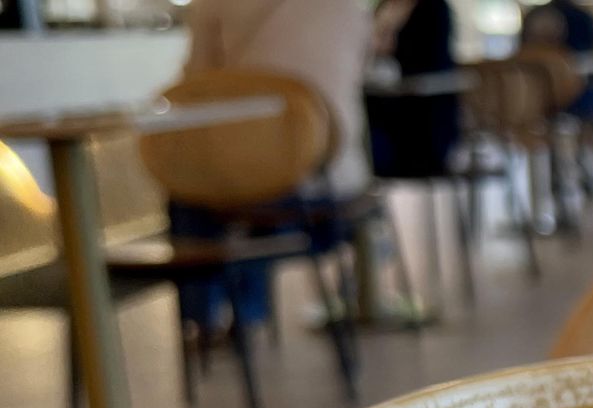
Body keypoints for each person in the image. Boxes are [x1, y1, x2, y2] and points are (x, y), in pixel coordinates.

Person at [175, 0, 372, 334]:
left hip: (262, 181)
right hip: (339, 179)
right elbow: (361, 69)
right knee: (249, 191)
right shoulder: (352, 5)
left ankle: (206, 320)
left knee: (191, 191)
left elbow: (195, 83)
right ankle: (248, 307)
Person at [367, 0, 462, 179]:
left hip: (424, 115)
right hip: (387, 102)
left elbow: (432, 62)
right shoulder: (384, 8)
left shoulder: (434, 9)